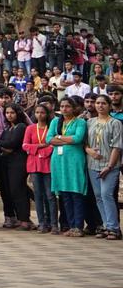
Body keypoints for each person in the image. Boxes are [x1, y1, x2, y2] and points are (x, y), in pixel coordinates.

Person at [47, 96, 88, 236]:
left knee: (76, 193)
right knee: (64, 194)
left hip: (74, 161)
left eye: (68, 106)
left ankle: (78, 226)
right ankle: (71, 226)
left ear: (74, 108)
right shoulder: (55, 121)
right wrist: (66, 140)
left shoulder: (80, 122)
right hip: (59, 162)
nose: (64, 109)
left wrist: (58, 138)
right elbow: (48, 139)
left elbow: (77, 139)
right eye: (62, 106)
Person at [86, 94, 122, 239]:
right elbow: (85, 142)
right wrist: (89, 151)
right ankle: (106, 225)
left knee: (107, 194)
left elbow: (117, 146)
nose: (100, 106)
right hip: (93, 163)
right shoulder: (90, 122)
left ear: (109, 105)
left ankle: (114, 228)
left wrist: (110, 166)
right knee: (99, 196)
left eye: (103, 103)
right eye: (98, 103)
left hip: (109, 165)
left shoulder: (115, 123)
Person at [0, 103, 32, 230]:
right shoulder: (8, 129)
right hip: (6, 162)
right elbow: (1, 144)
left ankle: (24, 219)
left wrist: (1, 144)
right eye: (7, 113)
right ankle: (15, 217)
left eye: (12, 113)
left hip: (18, 162)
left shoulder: (21, 127)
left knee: (18, 190)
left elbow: (13, 143)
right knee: (9, 191)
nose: (9, 115)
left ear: (18, 113)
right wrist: (3, 145)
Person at [23, 102, 57, 233]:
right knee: (38, 195)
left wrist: (40, 150)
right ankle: (42, 223)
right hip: (34, 164)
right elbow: (25, 145)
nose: (39, 115)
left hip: (47, 164)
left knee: (50, 195)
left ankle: (53, 223)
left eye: (42, 112)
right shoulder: (30, 128)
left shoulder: (51, 128)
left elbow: (53, 144)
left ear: (47, 114)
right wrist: (41, 146)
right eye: (37, 112)